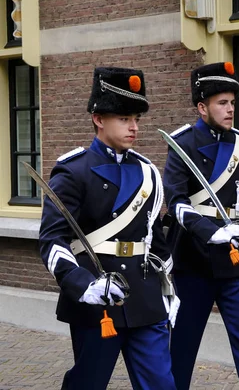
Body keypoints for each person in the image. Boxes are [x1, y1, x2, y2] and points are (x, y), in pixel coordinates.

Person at [39, 67, 178, 390]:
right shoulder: (74, 171)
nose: (133, 127)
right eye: (124, 118)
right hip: (97, 299)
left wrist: (169, 289)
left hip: (144, 297)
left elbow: (154, 237)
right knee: (88, 382)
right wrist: (83, 285)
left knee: (161, 383)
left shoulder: (147, 171)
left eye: (136, 119)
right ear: (99, 119)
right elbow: (52, 241)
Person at [163, 61, 239, 390]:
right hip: (192, 261)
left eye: (232, 103)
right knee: (181, 349)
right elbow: (176, 204)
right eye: (222, 103)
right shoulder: (180, 143)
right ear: (202, 107)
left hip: (234, 259)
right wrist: (210, 232)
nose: (230, 110)